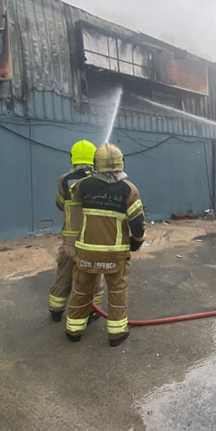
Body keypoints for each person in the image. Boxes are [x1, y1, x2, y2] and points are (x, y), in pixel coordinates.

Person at [65, 143, 146, 347]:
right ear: (122, 163)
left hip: (85, 253)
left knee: (82, 290)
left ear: (96, 164)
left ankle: (73, 331)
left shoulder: (81, 186)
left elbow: (71, 214)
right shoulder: (129, 189)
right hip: (115, 255)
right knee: (117, 293)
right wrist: (136, 243)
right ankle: (116, 334)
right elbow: (137, 223)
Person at [48, 140, 105, 323]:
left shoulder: (64, 180)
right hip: (92, 238)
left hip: (70, 239)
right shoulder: (99, 181)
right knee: (93, 276)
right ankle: (92, 311)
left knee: (64, 272)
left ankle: (56, 310)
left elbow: (59, 204)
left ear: (73, 158)